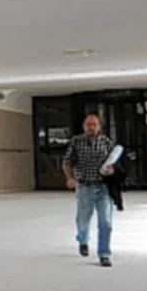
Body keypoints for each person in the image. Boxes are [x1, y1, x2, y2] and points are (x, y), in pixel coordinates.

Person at [62, 114, 118, 267]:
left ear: (99, 126)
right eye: (88, 125)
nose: (91, 127)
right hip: (84, 187)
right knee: (83, 220)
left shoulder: (106, 142)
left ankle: (104, 254)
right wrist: (70, 178)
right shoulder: (76, 142)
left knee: (106, 222)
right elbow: (67, 162)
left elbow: (114, 162)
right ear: (83, 126)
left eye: (94, 125)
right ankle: (83, 239)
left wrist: (112, 170)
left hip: (103, 188)